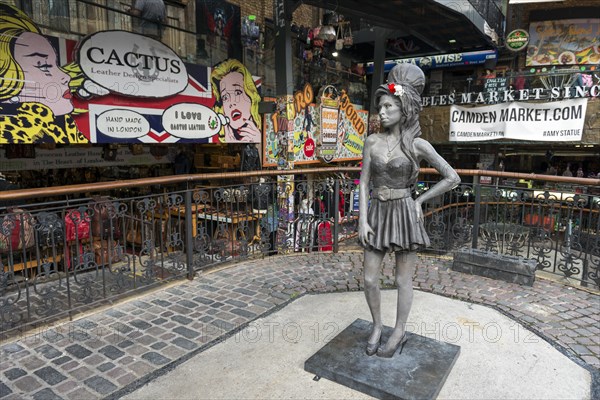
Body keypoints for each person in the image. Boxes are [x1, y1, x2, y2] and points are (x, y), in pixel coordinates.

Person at [358, 63, 460, 358]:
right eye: (381, 106)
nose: (383, 112)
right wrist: (362, 219)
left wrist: (419, 201)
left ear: (405, 109)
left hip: (404, 212)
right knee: (369, 278)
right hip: (377, 212)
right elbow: (364, 182)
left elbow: (452, 177)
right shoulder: (372, 142)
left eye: (389, 106)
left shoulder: (417, 144)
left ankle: (399, 329)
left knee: (403, 279)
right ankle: (377, 325)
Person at [0, 4, 87, 143]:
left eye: (56, 65)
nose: (67, 76)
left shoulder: (63, 126)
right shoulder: (20, 129)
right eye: (45, 66)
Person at [211, 59, 262, 143]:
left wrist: (257, 139)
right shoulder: (221, 136)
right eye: (225, 97)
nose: (232, 103)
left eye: (238, 92)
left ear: (251, 96)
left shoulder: (260, 132)